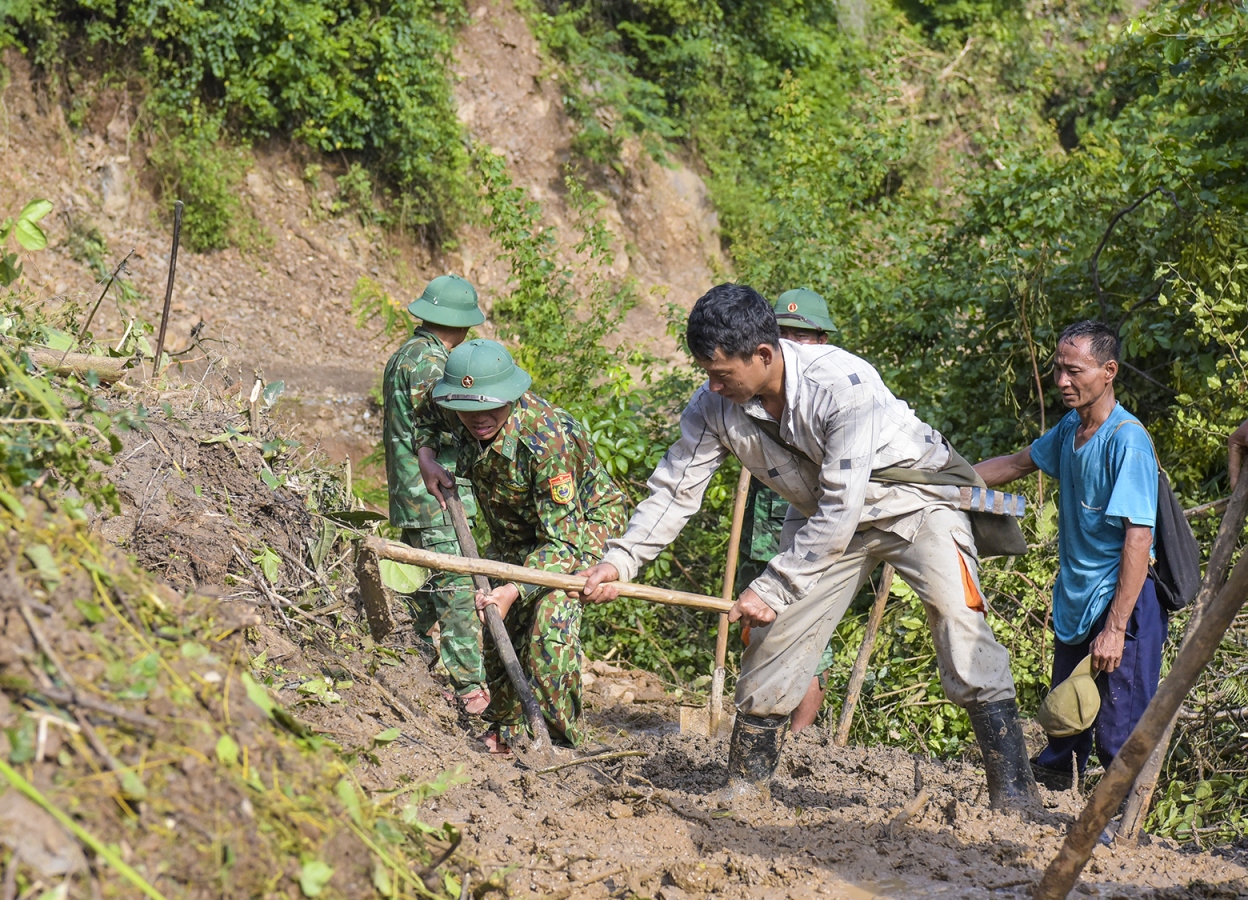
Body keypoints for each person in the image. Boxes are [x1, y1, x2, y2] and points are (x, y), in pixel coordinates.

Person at [576, 283, 1038, 813]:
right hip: (823, 518)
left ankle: (1015, 795)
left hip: (913, 506)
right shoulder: (714, 405)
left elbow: (845, 506)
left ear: (764, 354)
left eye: (722, 373)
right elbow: (675, 490)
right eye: (707, 372)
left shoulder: (843, 385)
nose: (713, 384)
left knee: (963, 629)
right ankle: (747, 788)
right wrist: (621, 560)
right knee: (772, 637)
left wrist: (771, 585)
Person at [975, 321, 1162, 791]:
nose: (1062, 381)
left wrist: (1116, 629)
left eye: (1074, 371)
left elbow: (1138, 540)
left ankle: (1121, 835)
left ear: (1108, 372)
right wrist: (946, 480)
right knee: (1065, 725)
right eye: (1058, 369)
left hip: (1124, 602)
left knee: (1120, 733)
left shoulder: (1128, 441)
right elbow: (1017, 464)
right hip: (1078, 599)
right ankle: (1049, 809)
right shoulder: (1070, 430)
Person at [418, 339, 629, 755]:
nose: (478, 420)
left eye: (490, 409)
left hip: (581, 531)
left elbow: (564, 540)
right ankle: (506, 728)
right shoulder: (453, 401)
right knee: (498, 623)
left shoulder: (547, 440)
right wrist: (427, 458)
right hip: (514, 533)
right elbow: (423, 415)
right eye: (467, 411)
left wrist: (516, 588)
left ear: (511, 396)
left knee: (547, 624)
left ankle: (561, 743)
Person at [381, 274, 489, 714]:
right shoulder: (428, 362)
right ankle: (471, 689)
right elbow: (443, 419)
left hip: (411, 497)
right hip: (435, 496)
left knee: (423, 590)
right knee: (456, 590)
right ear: (461, 326)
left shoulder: (402, 355)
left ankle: (414, 671)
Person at [734, 288, 839, 733]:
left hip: (814, 532)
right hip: (761, 529)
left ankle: (799, 735)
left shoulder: (831, 391)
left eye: (804, 336)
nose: (793, 344)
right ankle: (760, 725)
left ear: (823, 341)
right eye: (784, 335)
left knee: (809, 634)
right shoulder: (756, 395)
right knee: (753, 621)